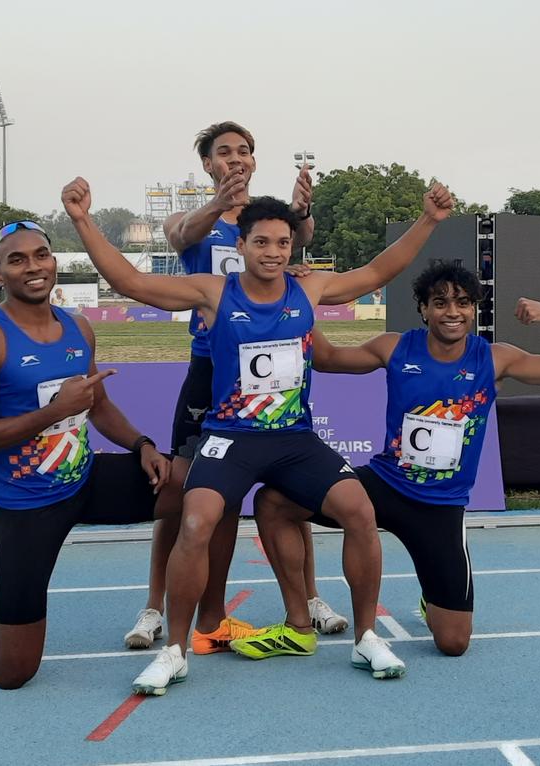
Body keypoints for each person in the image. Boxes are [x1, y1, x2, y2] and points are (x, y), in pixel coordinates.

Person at [62, 176, 456, 694]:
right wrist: (83, 221)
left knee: (360, 511)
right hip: (229, 438)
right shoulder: (213, 292)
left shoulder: (309, 287)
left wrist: (427, 219)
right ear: (241, 245)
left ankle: (366, 638)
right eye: (262, 242)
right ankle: (176, 650)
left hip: (293, 440)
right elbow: (134, 283)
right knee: (197, 521)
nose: (273, 252)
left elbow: (378, 271)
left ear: (293, 246)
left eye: (283, 243)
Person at [246, 261, 540, 661]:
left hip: (440, 509)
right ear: (424, 309)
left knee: (453, 643)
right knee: (273, 501)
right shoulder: (395, 347)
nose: (452, 312)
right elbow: (327, 358)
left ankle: (434, 598)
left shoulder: (495, 358)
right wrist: (298, 298)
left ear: (474, 309)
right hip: (383, 486)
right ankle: (299, 622)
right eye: (440, 302)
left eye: (463, 303)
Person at [0, 220, 173, 690]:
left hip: (85, 480)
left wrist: (142, 445)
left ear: (54, 263)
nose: (34, 266)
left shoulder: (77, 327)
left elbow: (99, 406)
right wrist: (52, 413)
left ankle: (199, 627)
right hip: (27, 505)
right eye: (17, 259)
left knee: (198, 488)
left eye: (41, 255)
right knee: (11, 671)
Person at [122, 120, 348, 654]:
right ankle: (155, 606)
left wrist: (303, 210)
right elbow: (179, 238)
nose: (236, 158)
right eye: (224, 152)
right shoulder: (195, 221)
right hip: (211, 369)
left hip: (272, 366)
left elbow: (301, 240)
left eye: (244, 151)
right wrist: (216, 203)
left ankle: (311, 599)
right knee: (181, 493)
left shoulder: (261, 221)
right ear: (207, 163)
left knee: (295, 484)